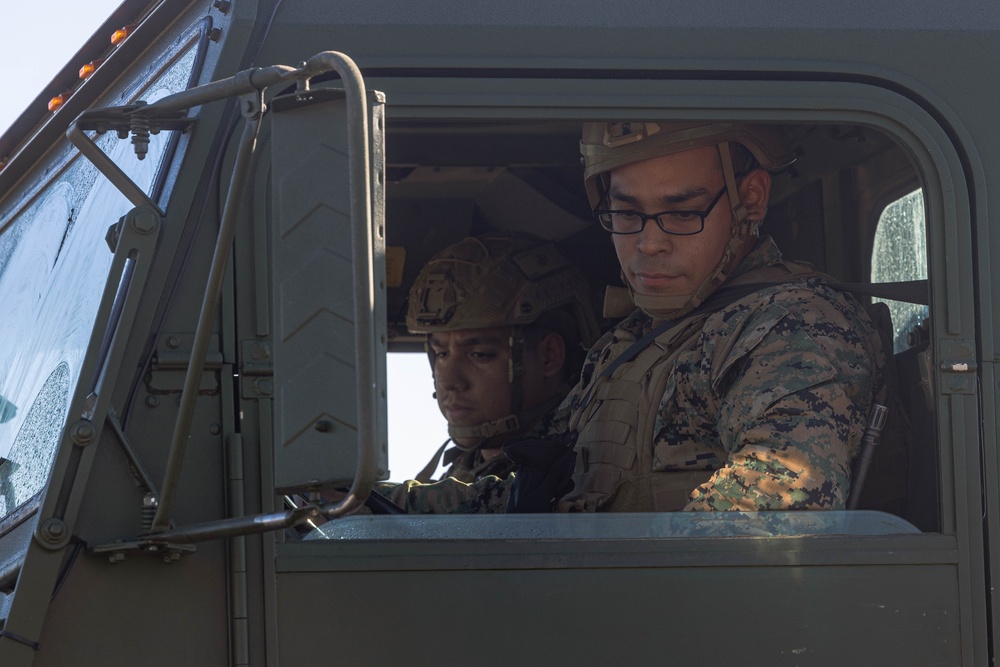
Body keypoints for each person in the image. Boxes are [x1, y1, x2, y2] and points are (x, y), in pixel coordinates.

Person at [385, 121, 886, 514]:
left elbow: (766, 523)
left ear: (749, 199)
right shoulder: (630, 342)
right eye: (626, 214)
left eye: (683, 212)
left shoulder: (790, 326)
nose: (649, 242)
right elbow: (528, 494)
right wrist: (376, 507)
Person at [393, 232, 600, 486]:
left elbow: (511, 504)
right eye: (441, 353)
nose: (448, 380)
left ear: (549, 356)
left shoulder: (586, 457)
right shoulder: (466, 467)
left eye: (480, 355)